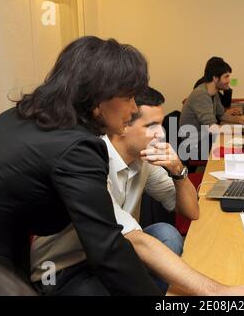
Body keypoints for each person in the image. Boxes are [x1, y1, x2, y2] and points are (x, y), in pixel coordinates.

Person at [0, 36, 163, 295]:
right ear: (98, 99)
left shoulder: (26, 116)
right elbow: (107, 249)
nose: (133, 108)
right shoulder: (77, 147)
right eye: (129, 96)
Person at [30, 87, 200, 294]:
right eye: (151, 126)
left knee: (167, 234)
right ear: (124, 124)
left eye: (161, 124)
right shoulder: (89, 160)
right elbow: (135, 240)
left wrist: (178, 170)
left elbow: (192, 212)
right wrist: (211, 290)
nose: (161, 134)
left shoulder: (144, 160)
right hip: (64, 267)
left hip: (111, 255)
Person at [180, 58, 244, 160]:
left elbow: (222, 114)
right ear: (215, 78)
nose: (229, 80)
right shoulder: (201, 95)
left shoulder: (213, 92)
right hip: (194, 145)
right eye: (226, 77)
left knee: (242, 145)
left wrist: (242, 121)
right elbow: (213, 128)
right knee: (241, 150)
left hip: (204, 138)